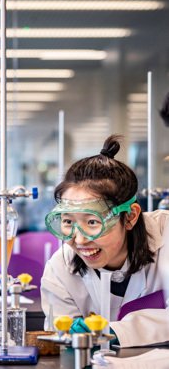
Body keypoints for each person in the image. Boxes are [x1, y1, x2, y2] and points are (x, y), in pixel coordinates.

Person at [41, 134, 169, 348]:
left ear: (130, 216)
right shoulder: (59, 267)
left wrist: (118, 331)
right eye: (67, 222)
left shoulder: (167, 235)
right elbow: (59, 339)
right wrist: (71, 336)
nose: (79, 239)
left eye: (92, 222)